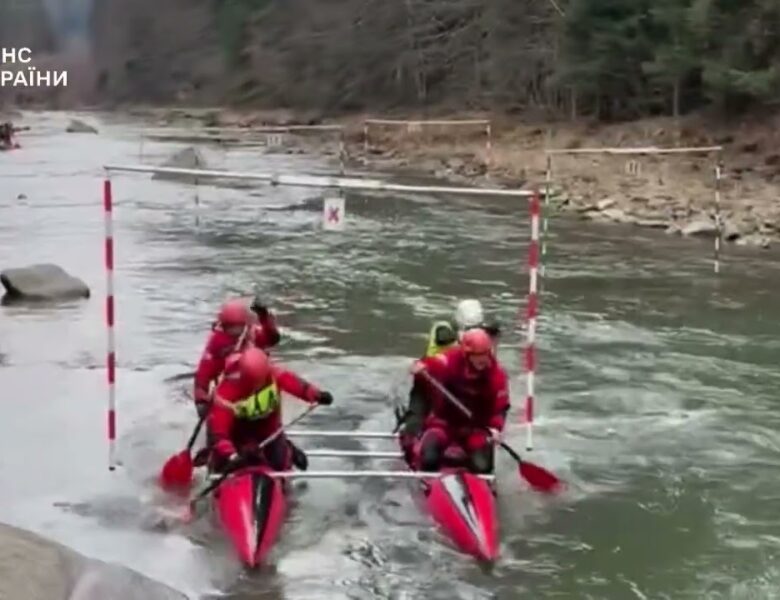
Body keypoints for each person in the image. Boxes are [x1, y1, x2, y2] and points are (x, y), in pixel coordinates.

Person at [208, 347, 333, 472]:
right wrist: (232, 455)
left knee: (278, 464)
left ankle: (287, 448)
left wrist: (316, 394)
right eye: (254, 382)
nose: (259, 385)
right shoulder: (226, 391)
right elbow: (219, 432)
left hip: (268, 430)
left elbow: (294, 383)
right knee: (225, 466)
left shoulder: (272, 374)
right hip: (237, 434)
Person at [396, 299, 501, 447]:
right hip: (432, 381)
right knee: (419, 415)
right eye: (469, 328)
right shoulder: (444, 333)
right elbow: (441, 359)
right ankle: (411, 433)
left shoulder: (484, 340)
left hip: (460, 386)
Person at [408, 328, 509, 474]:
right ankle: (420, 458)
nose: (482, 359)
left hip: (476, 428)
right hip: (444, 424)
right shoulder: (450, 360)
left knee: (483, 467)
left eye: (485, 354)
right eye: (477, 355)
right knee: (429, 458)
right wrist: (421, 366)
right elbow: (433, 364)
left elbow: (500, 409)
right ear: (467, 354)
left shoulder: (497, 375)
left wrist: (496, 428)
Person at [193, 296, 281, 418]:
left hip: (256, 385)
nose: (235, 331)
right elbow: (203, 374)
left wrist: (264, 316)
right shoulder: (217, 343)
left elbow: (272, 338)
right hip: (231, 390)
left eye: (238, 327)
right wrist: (201, 400)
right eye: (230, 327)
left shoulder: (252, 334)